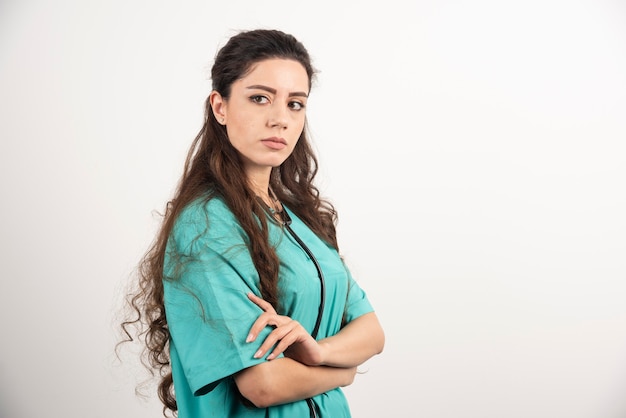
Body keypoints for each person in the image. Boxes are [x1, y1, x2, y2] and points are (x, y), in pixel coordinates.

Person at [121, 28, 385, 418]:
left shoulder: (301, 218)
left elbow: (372, 331)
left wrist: (320, 351)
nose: (280, 119)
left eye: (295, 104)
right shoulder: (206, 226)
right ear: (220, 106)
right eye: (260, 98)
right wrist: (342, 372)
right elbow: (263, 385)